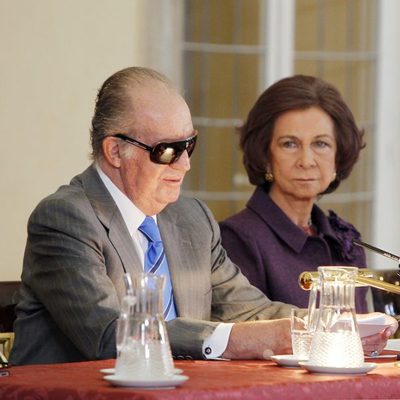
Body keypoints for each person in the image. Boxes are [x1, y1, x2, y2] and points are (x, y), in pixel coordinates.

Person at [10, 68, 393, 365]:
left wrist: (334, 327)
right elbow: (112, 335)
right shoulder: (65, 218)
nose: (186, 164)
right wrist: (238, 339)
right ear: (114, 151)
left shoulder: (191, 218)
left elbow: (252, 310)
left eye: (189, 144)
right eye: (168, 150)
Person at [220, 75, 369, 313]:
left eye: (320, 144)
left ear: (337, 156)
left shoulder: (345, 240)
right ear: (265, 155)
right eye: (290, 144)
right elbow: (246, 339)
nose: (306, 161)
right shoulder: (238, 238)